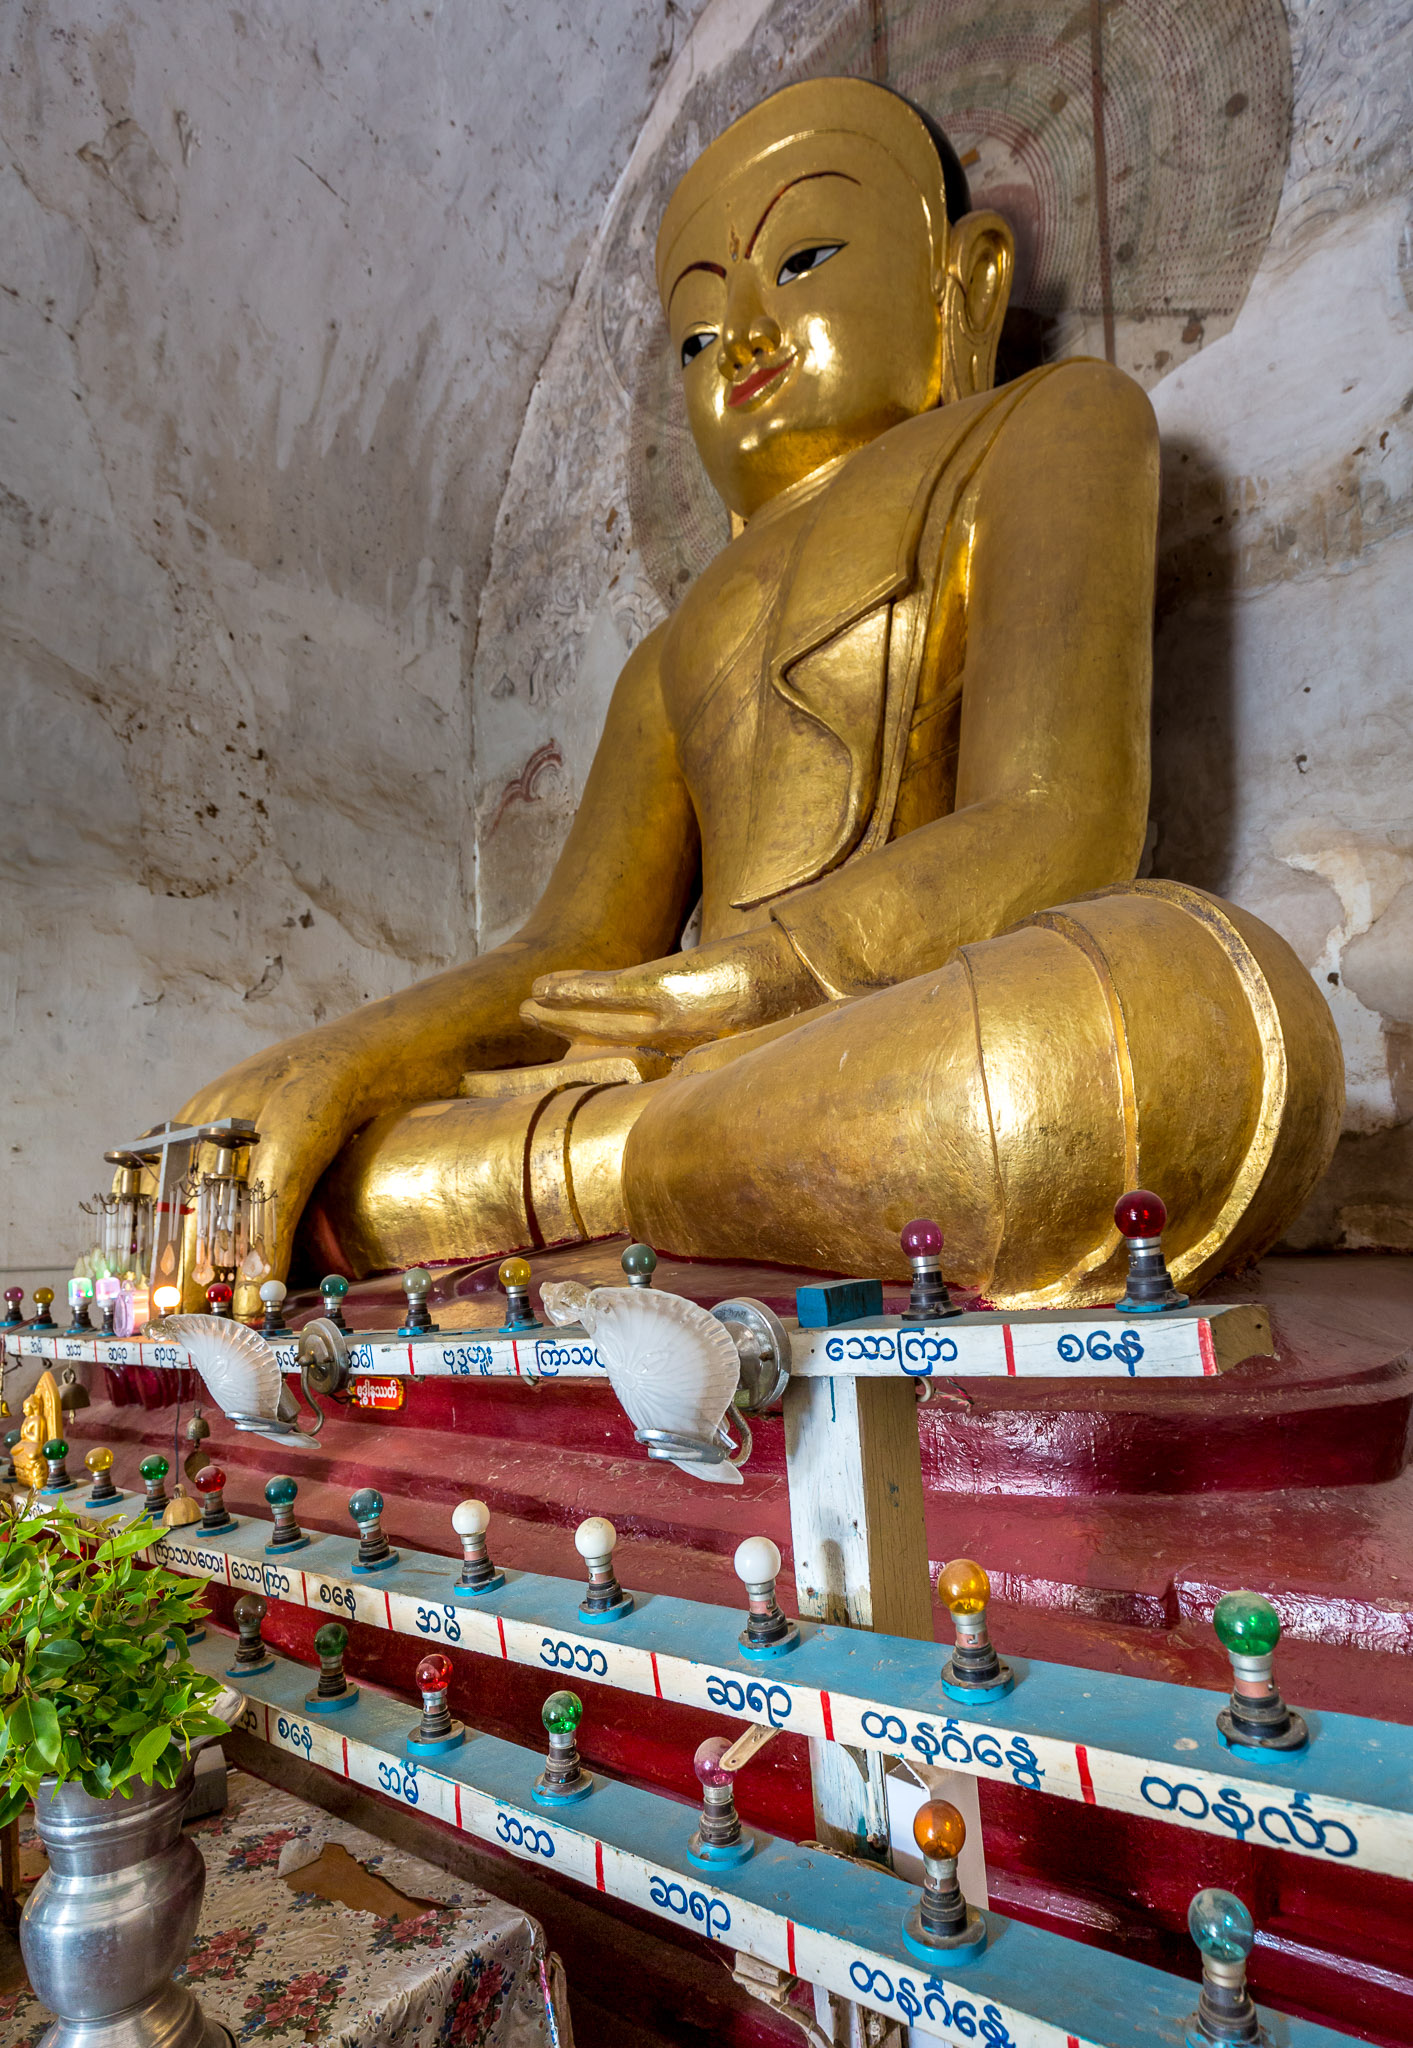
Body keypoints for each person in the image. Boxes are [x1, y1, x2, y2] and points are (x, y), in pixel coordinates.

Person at [176, 78, 1341, 1308]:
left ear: (969, 284)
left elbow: (1062, 815)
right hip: (712, 1089)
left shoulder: (1050, 425)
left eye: (807, 257)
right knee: (349, 1164)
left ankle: (617, 1174)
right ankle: (648, 1168)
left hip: (878, 1037)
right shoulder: (672, 647)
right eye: (691, 334)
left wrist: (754, 980)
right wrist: (339, 1061)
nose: (738, 337)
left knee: (1168, 1020)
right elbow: (568, 954)